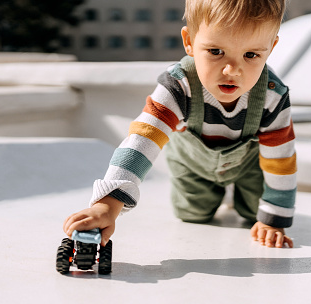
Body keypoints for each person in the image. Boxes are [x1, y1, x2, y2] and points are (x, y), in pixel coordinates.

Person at [63, 0, 296, 249]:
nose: (232, 70)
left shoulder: (273, 95)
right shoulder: (178, 86)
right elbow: (143, 139)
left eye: (251, 55)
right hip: (191, 166)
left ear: (270, 49)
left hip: (249, 166)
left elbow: (280, 159)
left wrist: (273, 219)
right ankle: (216, 196)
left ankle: (242, 198)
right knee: (193, 215)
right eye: (216, 52)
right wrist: (107, 204)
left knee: (255, 215)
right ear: (189, 42)